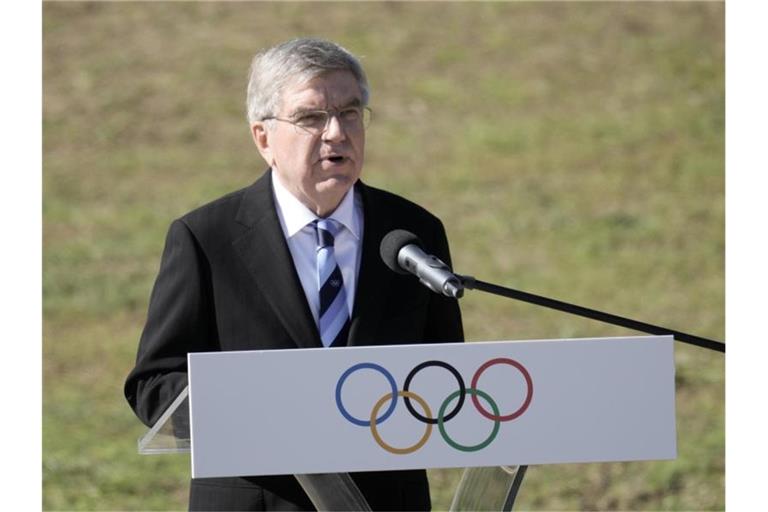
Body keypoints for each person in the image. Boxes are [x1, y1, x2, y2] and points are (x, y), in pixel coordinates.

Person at [124, 37, 464, 511]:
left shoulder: (412, 234)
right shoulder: (207, 239)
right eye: (310, 117)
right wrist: (259, 408)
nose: (335, 133)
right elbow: (154, 385)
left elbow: (447, 375)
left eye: (350, 112)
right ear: (263, 138)